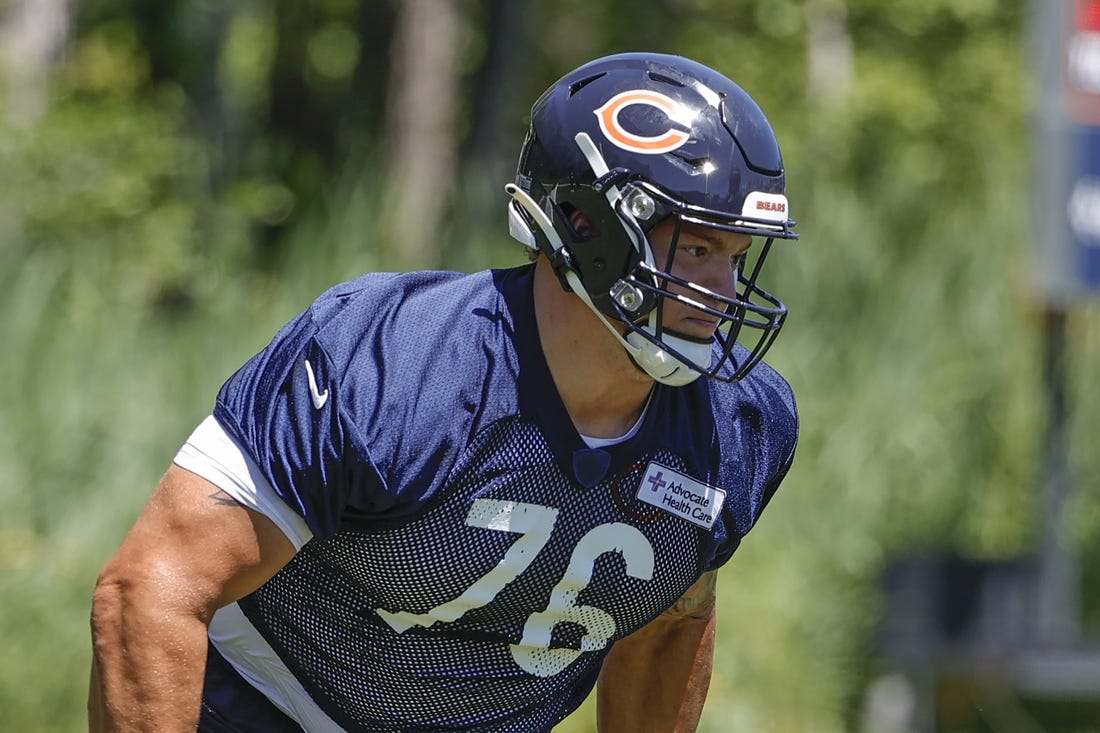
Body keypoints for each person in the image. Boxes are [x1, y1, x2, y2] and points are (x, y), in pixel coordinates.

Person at [89, 51, 799, 732]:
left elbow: (674, 616)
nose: (724, 295)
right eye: (698, 251)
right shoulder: (398, 362)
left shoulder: (739, 424)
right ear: (586, 227)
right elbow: (151, 591)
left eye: (736, 257)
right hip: (256, 701)